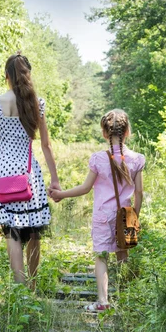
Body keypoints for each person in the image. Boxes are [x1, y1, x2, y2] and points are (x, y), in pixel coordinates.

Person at [50, 109, 144, 311]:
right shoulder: (137, 158)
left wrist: (61, 194)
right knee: (122, 254)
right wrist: (135, 215)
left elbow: (85, 188)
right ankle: (125, 298)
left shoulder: (98, 159)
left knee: (101, 256)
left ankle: (103, 302)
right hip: (126, 214)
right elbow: (139, 193)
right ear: (127, 132)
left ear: (104, 133)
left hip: (103, 214)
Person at [0, 52, 60, 288]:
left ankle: (19, 287)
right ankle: (33, 285)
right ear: (28, 75)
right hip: (29, 174)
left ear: (7, 76)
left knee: (12, 229)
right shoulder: (37, 103)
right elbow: (45, 145)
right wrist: (55, 179)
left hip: (4, 173)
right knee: (34, 227)